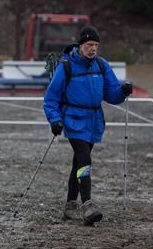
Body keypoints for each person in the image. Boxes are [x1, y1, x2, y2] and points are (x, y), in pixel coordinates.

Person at [43, 26, 132, 225]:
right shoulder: (66, 66)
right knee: (84, 157)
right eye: (90, 45)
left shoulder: (101, 65)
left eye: (96, 45)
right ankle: (87, 205)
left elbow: (111, 94)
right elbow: (51, 98)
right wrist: (55, 120)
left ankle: (69, 206)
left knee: (78, 162)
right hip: (73, 120)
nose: (93, 49)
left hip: (94, 121)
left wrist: (123, 91)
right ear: (81, 45)